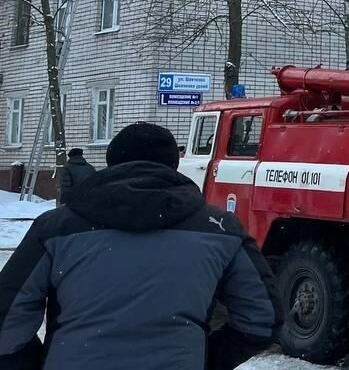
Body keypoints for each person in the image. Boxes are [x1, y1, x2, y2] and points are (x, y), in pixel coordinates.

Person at [0, 122, 282, 370]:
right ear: (174, 165)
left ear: (111, 164)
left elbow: (7, 319)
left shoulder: (56, 227)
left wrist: (34, 362)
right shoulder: (219, 229)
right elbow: (262, 318)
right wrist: (206, 359)